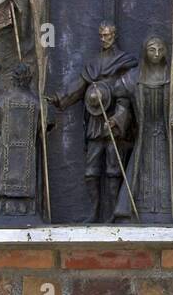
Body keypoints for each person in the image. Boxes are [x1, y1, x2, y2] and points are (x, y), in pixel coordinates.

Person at [48, 22, 137, 223]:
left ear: (114, 35)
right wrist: (59, 98)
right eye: (101, 36)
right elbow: (78, 87)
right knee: (91, 170)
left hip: (116, 118)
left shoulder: (124, 62)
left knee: (114, 168)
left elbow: (129, 91)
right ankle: (94, 212)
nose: (104, 39)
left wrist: (118, 117)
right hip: (96, 119)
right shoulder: (94, 63)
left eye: (107, 36)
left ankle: (115, 214)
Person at [112, 34, 173, 222]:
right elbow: (123, 105)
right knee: (141, 171)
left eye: (160, 50)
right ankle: (137, 212)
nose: (156, 54)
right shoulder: (133, 78)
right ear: (144, 52)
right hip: (145, 136)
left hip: (168, 134)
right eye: (152, 50)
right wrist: (116, 120)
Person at [0, 62, 49, 217]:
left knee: (5, 178)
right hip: (27, 150)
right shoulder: (36, 102)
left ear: (13, 79)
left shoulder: (4, 100)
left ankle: (4, 206)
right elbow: (43, 126)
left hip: (7, 147)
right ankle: (24, 208)